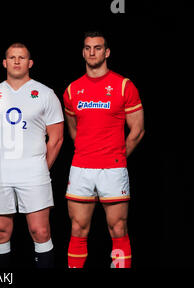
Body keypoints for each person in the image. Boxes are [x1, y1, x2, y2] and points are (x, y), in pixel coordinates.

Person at [0, 43, 64, 268]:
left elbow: (56, 139)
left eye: (22, 57)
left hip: (34, 171)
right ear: (5, 63)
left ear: (30, 63)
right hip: (0, 172)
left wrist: (40, 167)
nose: (17, 61)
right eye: (12, 57)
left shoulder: (46, 94)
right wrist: (0, 160)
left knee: (40, 230)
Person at [63, 31, 145, 268]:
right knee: (78, 228)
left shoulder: (123, 86)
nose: (92, 52)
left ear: (106, 52)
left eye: (97, 48)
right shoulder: (72, 90)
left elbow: (137, 130)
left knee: (118, 227)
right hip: (81, 167)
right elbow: (73, 130)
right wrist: (90, 152)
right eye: (88, 48)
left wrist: (116, 155)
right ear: (83, 52)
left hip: (113, 168)